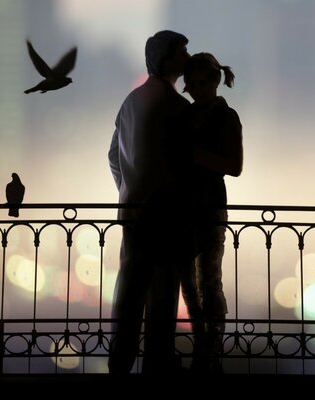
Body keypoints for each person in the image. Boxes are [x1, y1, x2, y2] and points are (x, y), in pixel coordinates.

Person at [107, 30, 192, 375]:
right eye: (182, 52)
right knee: (162, 296)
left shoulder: (131, 101)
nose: (187, 57)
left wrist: (127, 189)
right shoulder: (177, 106)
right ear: (168, 59)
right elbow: (186, 162)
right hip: (165, 214)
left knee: (128, 294)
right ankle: (155, 367)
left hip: (132, 212)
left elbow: (113, 155)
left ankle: (119, 363)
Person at [180, 52, 244, 373]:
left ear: (213, 82)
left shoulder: (225, 117)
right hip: (188, 208)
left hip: (208, 209)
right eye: (190, 84)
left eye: (197, 84)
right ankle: (206, 347)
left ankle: (210, 351)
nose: (193, 89)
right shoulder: (192, 115)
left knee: (208, 280)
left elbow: (234, 166)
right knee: (191, 283)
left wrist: (193, 155)